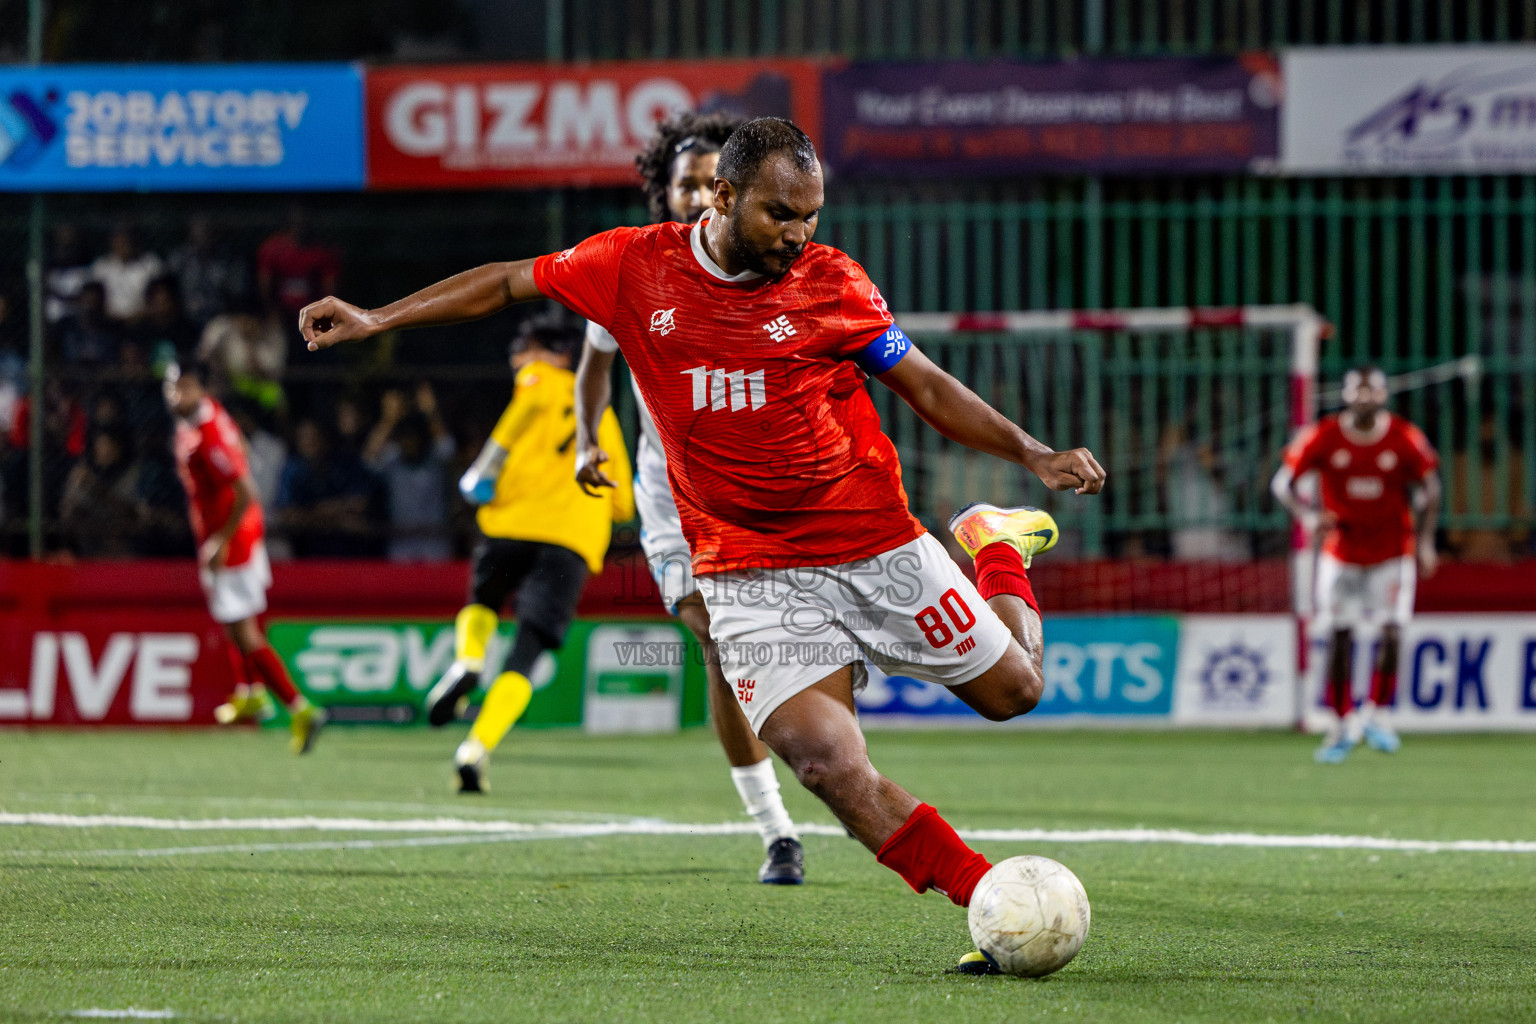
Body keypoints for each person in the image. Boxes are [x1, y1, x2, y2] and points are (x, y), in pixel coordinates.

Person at [298, 117, 1104, 969]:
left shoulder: (834, 284)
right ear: (722, 196)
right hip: (747, 569)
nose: (799, 237)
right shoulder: (631, 266)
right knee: (825, 762)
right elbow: (505, 283)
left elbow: (926, 386)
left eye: (811, 217)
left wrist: (1030, 453)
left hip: (874, 544)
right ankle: (985, 897)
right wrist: (378, 319)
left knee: (1016, 691)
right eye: (780, 216)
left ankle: (993, 542)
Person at [576, 110, 807, 885]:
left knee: (794, 648)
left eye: (709, 182)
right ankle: (776, 830)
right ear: (667, 193)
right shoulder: (632, 273)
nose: (697, 194)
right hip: (672, 501)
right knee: (718, 639)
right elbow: (593, 368)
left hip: (768, 495)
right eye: (683, 183)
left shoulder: (780, 270)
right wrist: (586, 440)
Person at [420, 314, 634, 792]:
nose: (519, 360)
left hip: (513, 524)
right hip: (572, 542)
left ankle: (469, 661)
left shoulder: (541, 378)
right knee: (525, 654)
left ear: (558, 356)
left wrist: (484, 468)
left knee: (483, 603)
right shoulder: (604, 416)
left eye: (526, 349)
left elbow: (521, 411)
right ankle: (476, 749)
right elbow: (622, 503)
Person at [1271, 366, 1441, 764]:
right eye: (1357, 390)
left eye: (1372, 391)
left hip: (1393, 552)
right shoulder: (1324, 435)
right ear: (1345, 394)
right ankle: (1340, 719)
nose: (1365, 398)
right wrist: (1309, 517)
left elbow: (1431, 485)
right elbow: (1283, 483)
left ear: (1383, 395)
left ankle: (1377, 713)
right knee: (1339, 635)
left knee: (1393, 631)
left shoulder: (1404, 437)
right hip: (1340, 553)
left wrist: (1427, 540)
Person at [164, 361, 324, 753]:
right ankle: (249, 689)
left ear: (199, 387)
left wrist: (221, 540)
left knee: (243, 629)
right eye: (171, 387)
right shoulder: (194, 423)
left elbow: (245, 490)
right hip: (222, 535)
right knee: (237, 624)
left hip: (233, 539)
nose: (175, 395)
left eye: (183, 387)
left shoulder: (208, 431)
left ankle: (298, 708)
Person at [363, 383, 457, 563]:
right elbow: (369, 458)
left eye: (413, 437)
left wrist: (431, 412)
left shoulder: (434, 459)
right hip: (401, 541)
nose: (409, 443)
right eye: (405, 438)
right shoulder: (393, 459)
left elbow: (448, 447)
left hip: (435, 541)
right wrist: (389, 419)